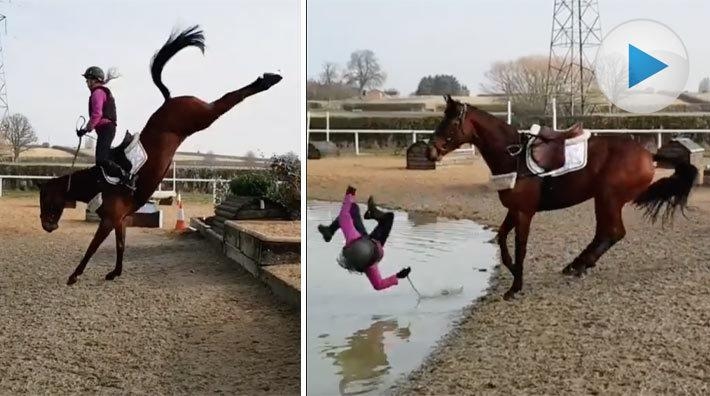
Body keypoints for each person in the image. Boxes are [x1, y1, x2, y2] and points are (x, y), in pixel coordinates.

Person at [318, 185, 410, 291]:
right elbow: (378, 285)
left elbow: (344, 216)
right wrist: (398, 276)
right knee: (389, 218)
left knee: (352, 209)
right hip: (376, 243)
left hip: (365, 240)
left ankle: (330, 230)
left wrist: (349, 195)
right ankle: (372, 215)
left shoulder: (353, 238)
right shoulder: (369, 265)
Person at [77, 66, 135, 191]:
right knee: (105, 156)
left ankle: (126, 176)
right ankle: (122, 161)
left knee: (101, 160)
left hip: (106, 128)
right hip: (106, 128)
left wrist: (86, 129)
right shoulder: (101, 92)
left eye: (88, 80)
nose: (86, 83)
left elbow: (97, 114)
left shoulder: (97, 93)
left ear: (94, 80)